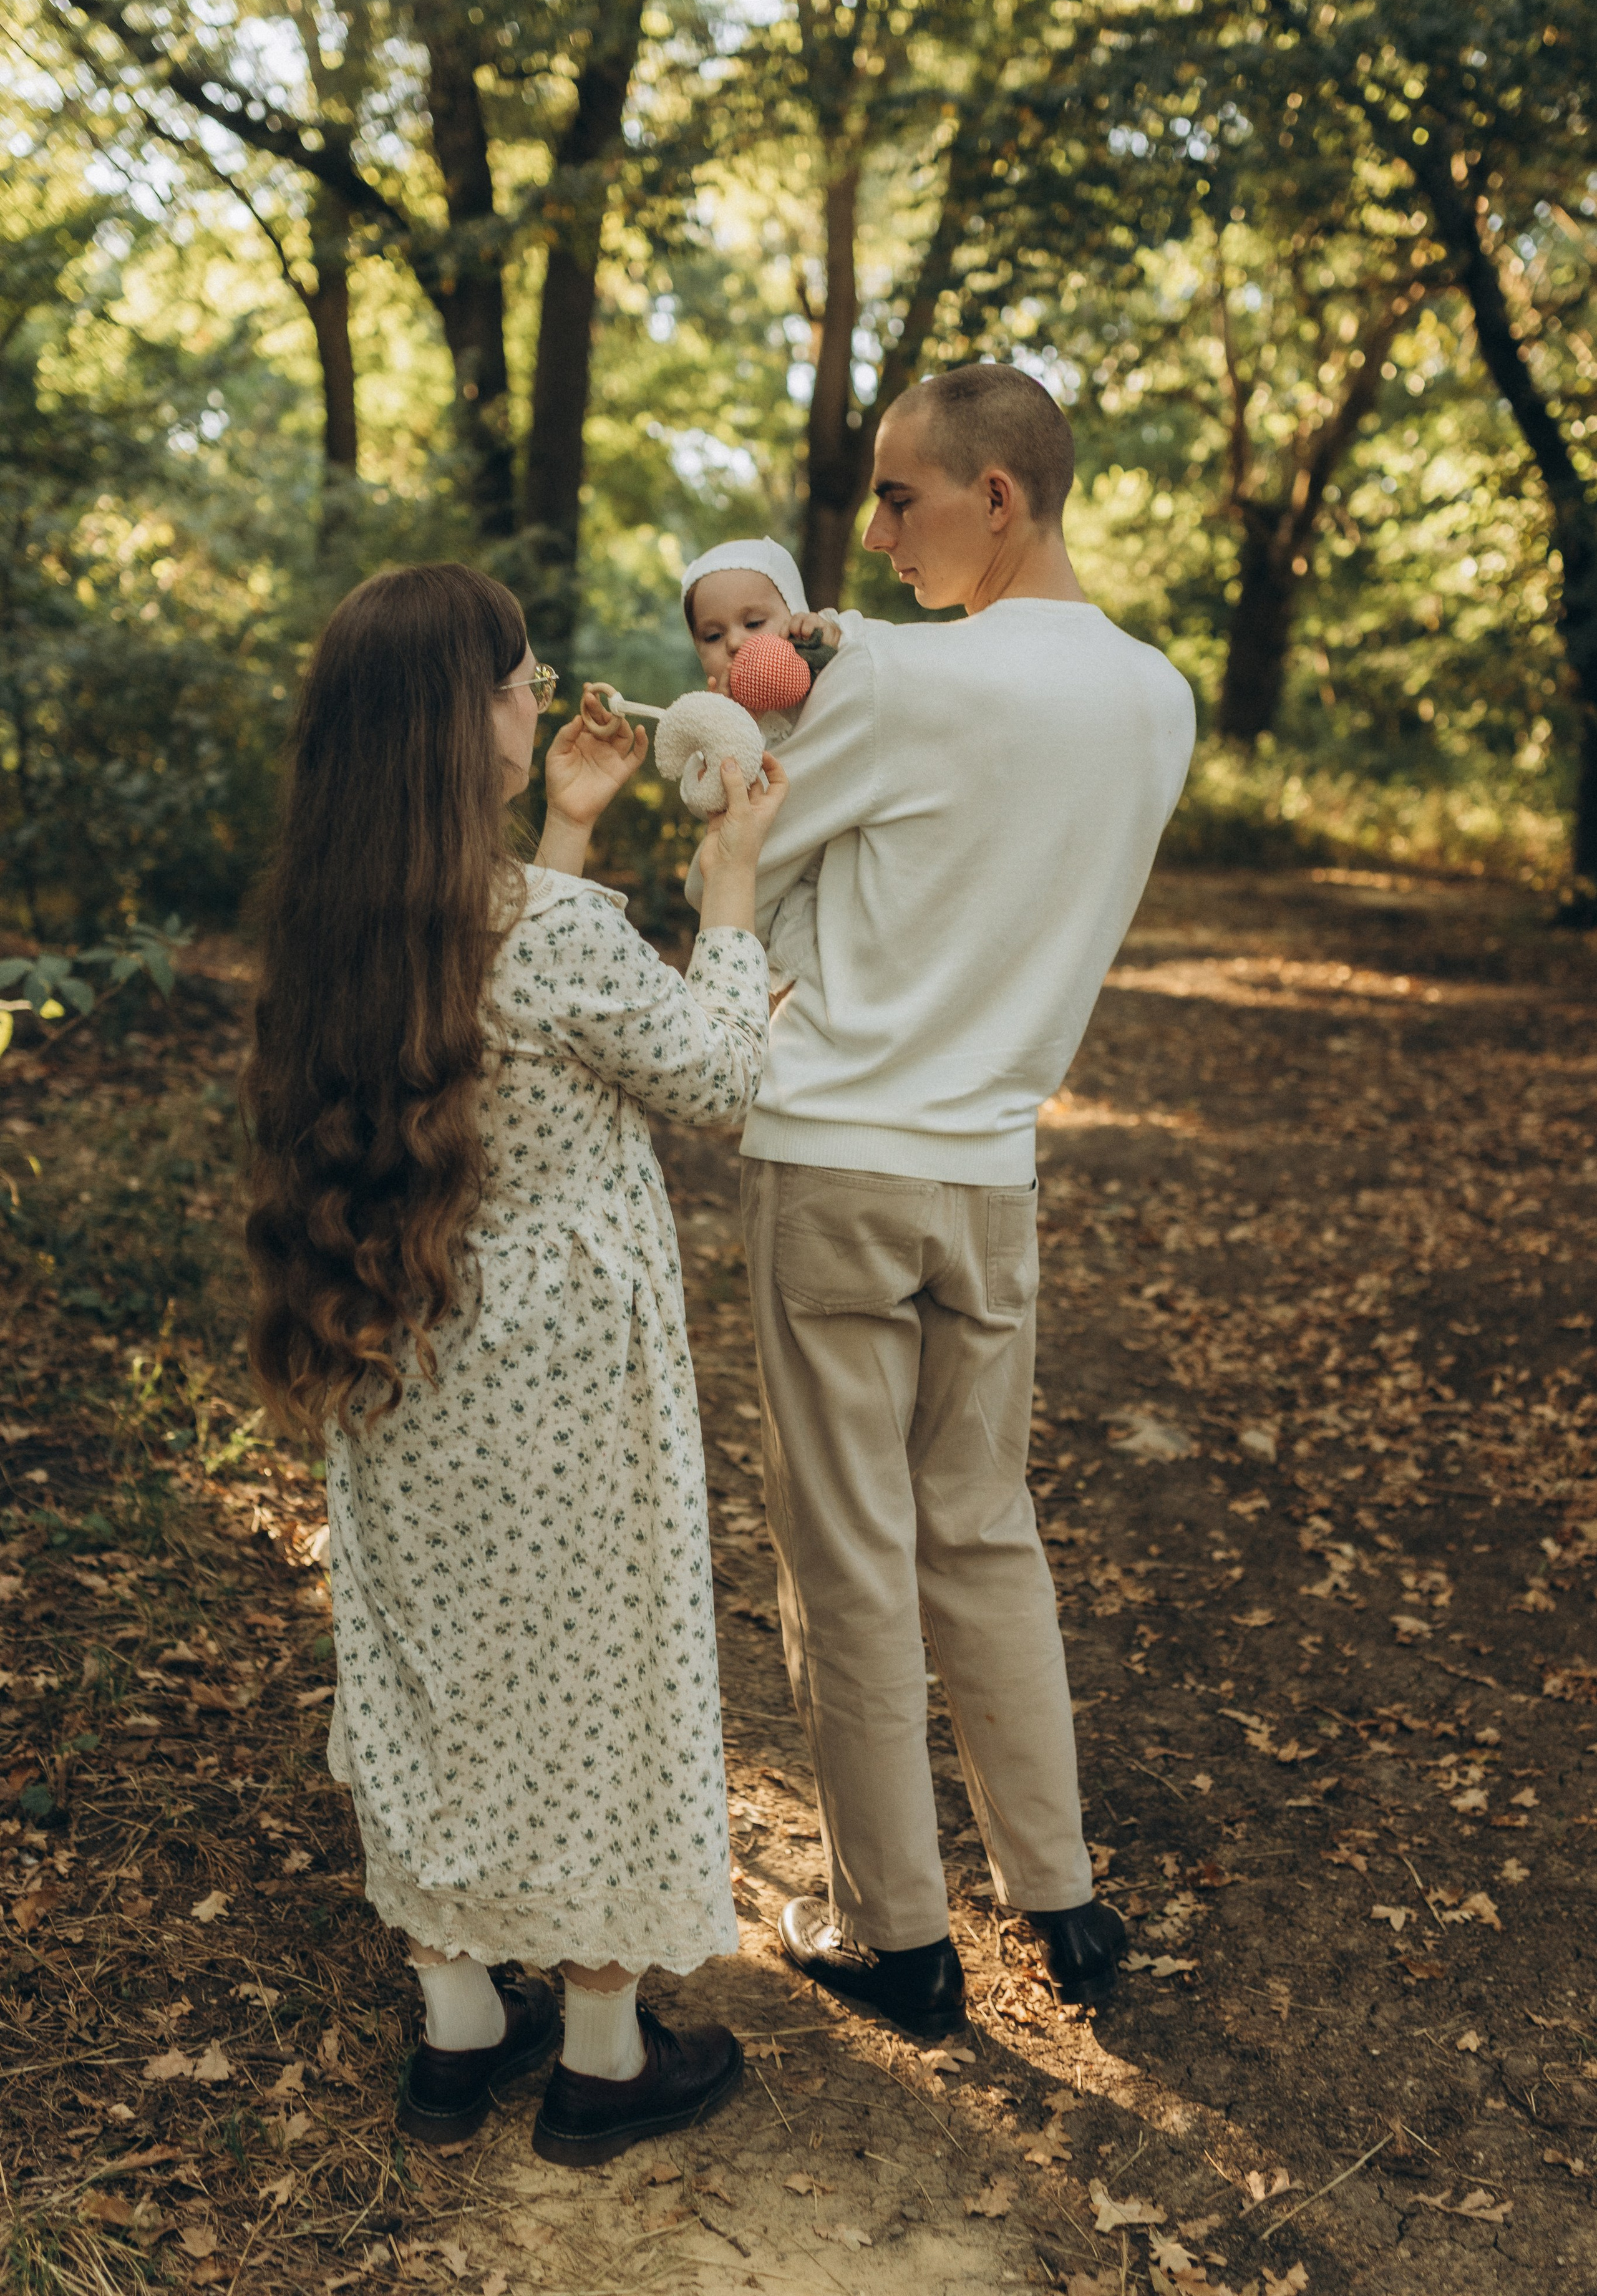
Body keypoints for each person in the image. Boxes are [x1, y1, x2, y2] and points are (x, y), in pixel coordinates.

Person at [241, 563, 787, 2164]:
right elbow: (719, 1073)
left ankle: (459, 2021)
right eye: (520, 677)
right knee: (594, 1675)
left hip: (400, 1360)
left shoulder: (342, 930)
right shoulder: (547, 936)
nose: (547, 691)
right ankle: (605, 2053)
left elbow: (482, 1037)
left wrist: (567, 831)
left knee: (439, 1673)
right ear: (447, 721)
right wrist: (732, 878)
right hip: (563, 1377)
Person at [696, 363, 1196, 2035]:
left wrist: (777, 719)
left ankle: (893, 1934)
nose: (874, 527)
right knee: (985, 1533)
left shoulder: (902, 679)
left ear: (1003, 496)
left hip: (838, 1150)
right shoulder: (1158, 699)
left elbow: (745, 848)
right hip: (992, 1168)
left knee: (848, 1551)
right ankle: (1064, 1901)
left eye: (902, 497)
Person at [681, 536, 852, 995]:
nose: (736, 642)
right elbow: (700, 793)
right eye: (713, 636)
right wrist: (730, 729)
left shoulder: (830, 683)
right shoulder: (722, 717)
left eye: (754, 622)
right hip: (766, 895)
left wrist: (820, 640)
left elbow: (850, 645)